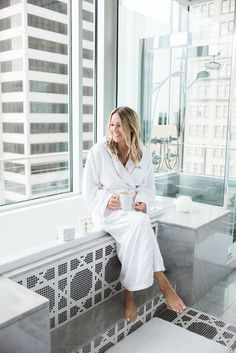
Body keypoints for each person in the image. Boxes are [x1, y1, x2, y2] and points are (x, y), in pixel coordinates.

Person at [82, 106, 185, 322]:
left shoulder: (144, 154)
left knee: (140, 223)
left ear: (131, 127)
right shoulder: (98, 152)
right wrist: (105, 201)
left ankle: (130, 294)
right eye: (112, 124)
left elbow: (148, 188)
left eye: (119, 125)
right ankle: (159, 282)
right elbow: (89, 191)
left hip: (131, 212)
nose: (114, 129)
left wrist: (143, 202)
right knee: (141, 224)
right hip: (108, 212)